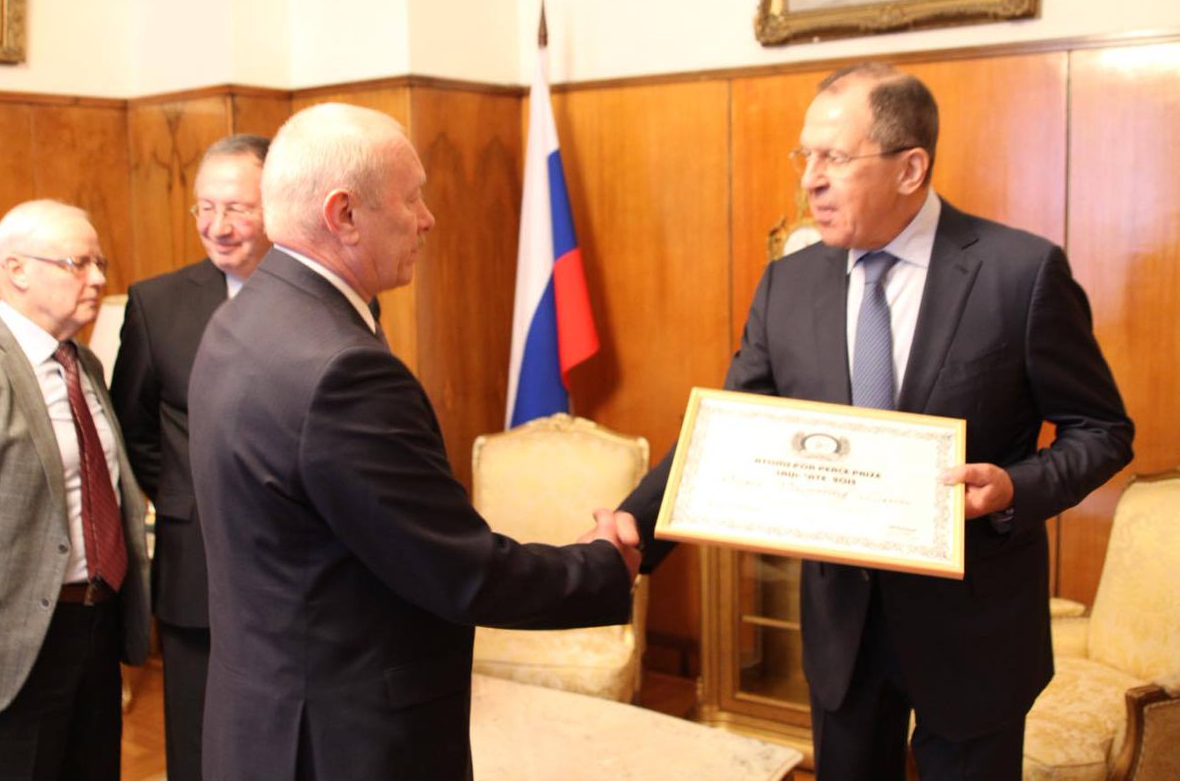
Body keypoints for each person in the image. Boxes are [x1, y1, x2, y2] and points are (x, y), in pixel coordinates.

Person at [619, 62, 1134, 780]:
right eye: (805, 157)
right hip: (843, 628)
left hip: (974, 629)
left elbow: (1103, 431)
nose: (810, 181)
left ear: (909, 168)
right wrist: (633, 528)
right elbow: (726, 430)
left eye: (833, 158)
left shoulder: (1019, 274)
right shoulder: (789, 283)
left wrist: (1015, 489)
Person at [187, 103, 640, 781]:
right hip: (342, 742)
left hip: (261, 719)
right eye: (411, 198)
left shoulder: (242, 318)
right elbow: (459, 571)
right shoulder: (342, 369)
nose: (426, 218)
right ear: (344, 214)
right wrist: (603, 565)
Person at [110, 132, 271, 781]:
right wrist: (194, 493)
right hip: (196, 562)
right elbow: (134, 428)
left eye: (237, 208)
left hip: (306, 567)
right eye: (205, 207)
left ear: (276, 204)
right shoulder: (157, 303)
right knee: (198, 742)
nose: (217, 226)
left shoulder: (332, 292)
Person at [0, 200, 151, 781]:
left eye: (100, 263)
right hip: (13, 646)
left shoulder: (84, 366)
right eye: (78, 263)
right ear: (16, 270)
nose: (98, 279)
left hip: (96, 625)